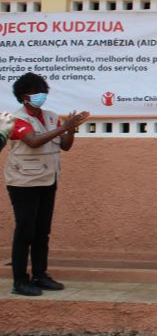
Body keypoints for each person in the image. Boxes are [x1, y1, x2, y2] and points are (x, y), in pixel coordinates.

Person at [3, 72, 89, 296]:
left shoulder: (51, 117)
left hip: (48, 179)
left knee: (42, 231)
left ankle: (40, 275)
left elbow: (66, 146)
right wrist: (63, 127)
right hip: (23, 182)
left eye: (44, 92)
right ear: (24, 96)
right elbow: (33, 142)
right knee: (25, 231)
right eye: (36, 93)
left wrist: (71, 129)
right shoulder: (16, 119)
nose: (42, 97)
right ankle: (20, 281)